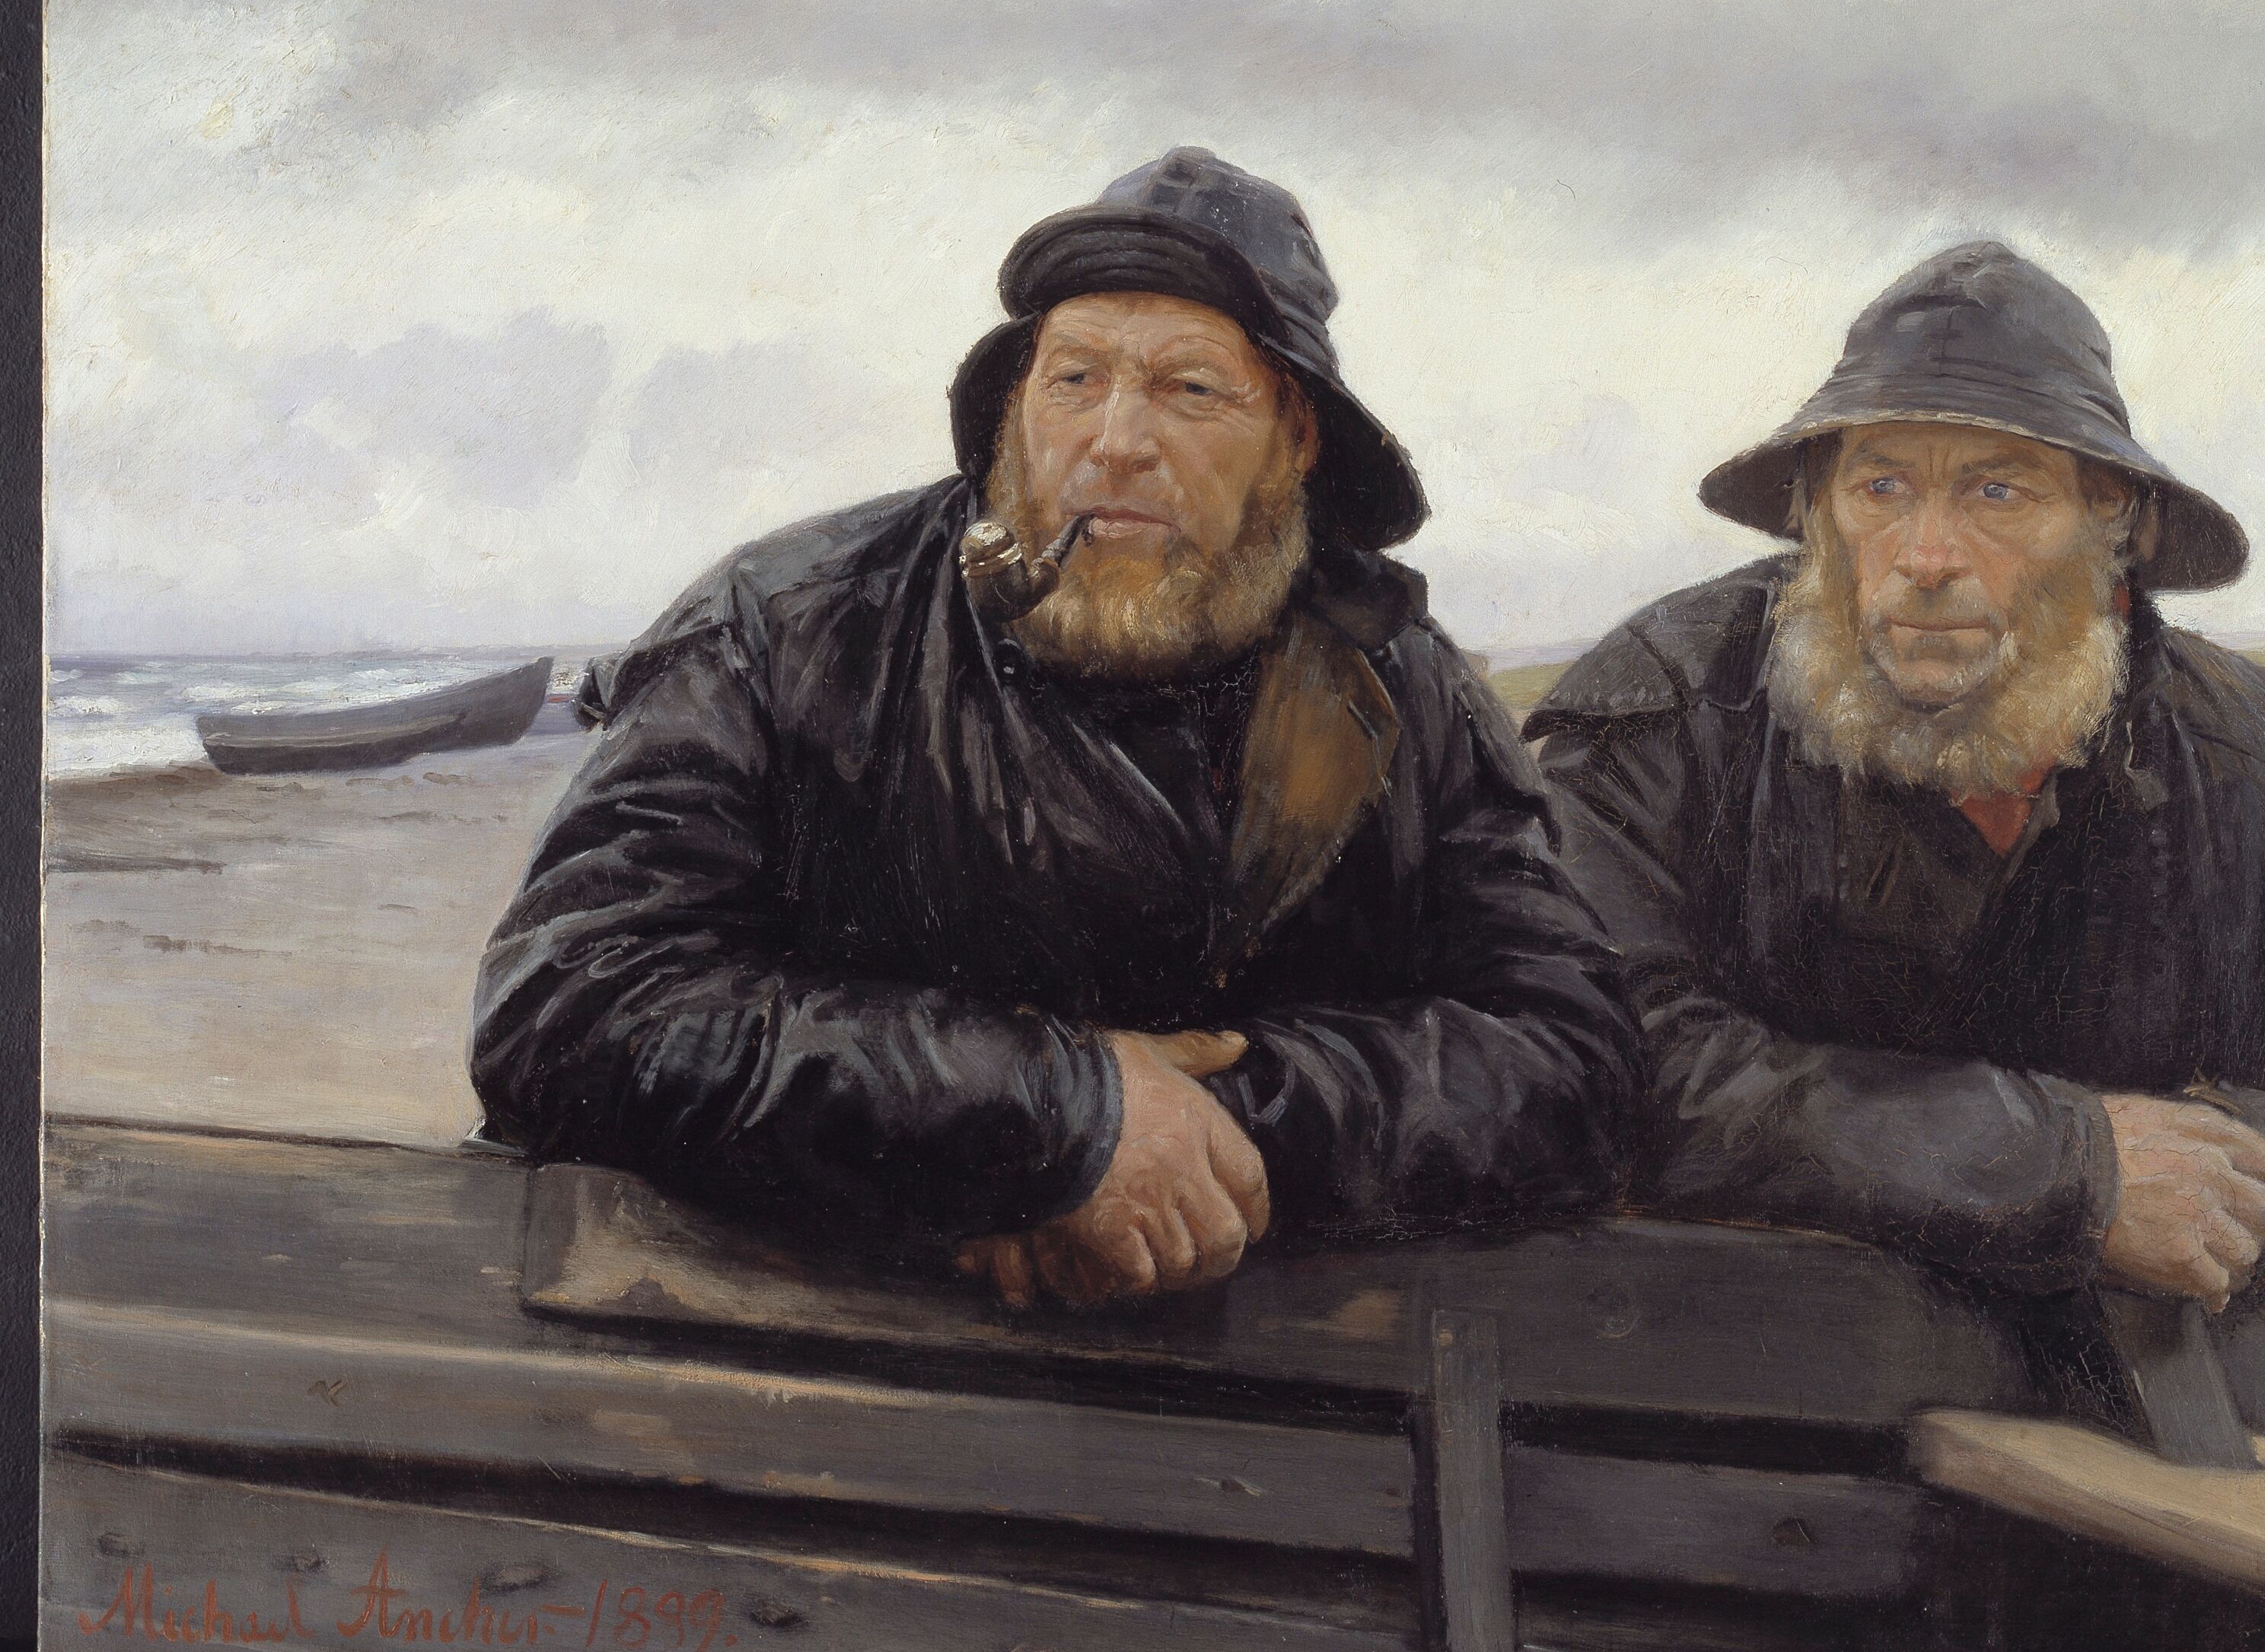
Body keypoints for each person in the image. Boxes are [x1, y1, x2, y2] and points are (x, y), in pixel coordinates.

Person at [473, 148, 1635, 1308]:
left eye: (1190, 389)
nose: (1116, 439)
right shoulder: (788, 625)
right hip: (805, 1336)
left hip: (1267, 1375)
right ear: (1013, 413)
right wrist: (1044, 1118)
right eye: (1074, 378)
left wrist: (1205, 1130)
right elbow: (565, 1005)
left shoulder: (1400, 679)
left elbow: (1571, 1059)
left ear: (1294, 439)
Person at [1529, 241, 2265, 1307]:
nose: (1925, 556)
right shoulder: (1672, 708)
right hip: (1726, 1384)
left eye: (1996, 492)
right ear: (1819, 515)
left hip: (2146, 1425)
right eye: (1880, 486)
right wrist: (2063, 1168)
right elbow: (1586, 1059)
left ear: (2113, 529)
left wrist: (2223, 1171)